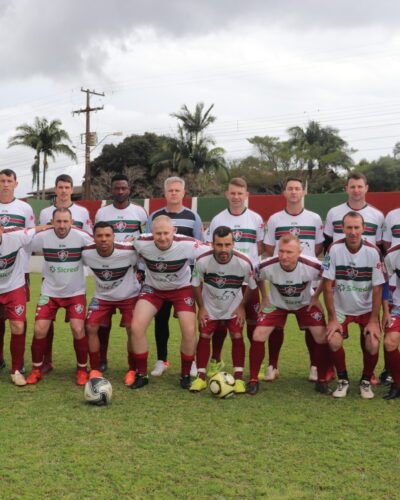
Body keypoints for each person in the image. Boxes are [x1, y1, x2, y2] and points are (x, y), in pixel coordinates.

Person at [129, 215, 208, 390]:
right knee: (136, 327)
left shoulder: (187, 243)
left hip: (182, 289)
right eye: (158, 233)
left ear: (174, 232)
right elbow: (125, 243)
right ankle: (142, 374)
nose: (162, 237)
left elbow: (211, 253)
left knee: (188, 330)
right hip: (153, 289)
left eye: (166, 233)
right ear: (151, 233)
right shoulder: (141, 241)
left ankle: (186, 374)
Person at [246, 234, 331, 396]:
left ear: (299, 252)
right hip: (277, 304)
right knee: (258, 335)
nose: (284, 256)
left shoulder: (312, 265)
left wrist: (316, 296)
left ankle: (321, 380)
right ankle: (253, 380)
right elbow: (257, 276)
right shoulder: (266, 265)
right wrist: (264, 296)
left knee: (321, 336)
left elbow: (327, 276)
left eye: (289, 252)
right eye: (281, 251)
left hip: (305, 303)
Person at [324, 171, 384, 385]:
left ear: (366, 188)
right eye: (352, 186)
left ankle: (370, 373)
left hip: (365, 283)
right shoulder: (333, 213)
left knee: (370, 337)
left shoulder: (377, 215)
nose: (356, 190)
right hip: (341, 284)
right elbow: (326, 244)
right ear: (347, 188)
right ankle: (335, 372)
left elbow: (380, 248)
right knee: (332, 337)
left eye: (360, 186)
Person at [263, 177, 325, 382]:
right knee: (276, 324)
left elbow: (318, 248)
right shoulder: (274, 219)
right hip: (281, 276)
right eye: (290, 189)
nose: (294, 192)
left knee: (310, 324)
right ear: (284, 192)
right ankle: (272, 365)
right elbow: (270, 249)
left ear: (303, 192)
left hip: (307, 278)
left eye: (297, 189)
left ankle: (315, 366)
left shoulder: (315, 218)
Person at [26, 207, 93, 386]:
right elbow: (23, 245)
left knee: (78, 329)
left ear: (71, 222)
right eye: (58, 221)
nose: (62, 225)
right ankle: (36, 369)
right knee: (40, 329)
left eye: (65, 221)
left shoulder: (82, 236)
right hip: (49, 292)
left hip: (75, 292)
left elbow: (99, 249)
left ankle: (81, 369)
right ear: (52, 222)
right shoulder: (42, 237)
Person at [145, 177, 204, 377]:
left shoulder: (193, 217)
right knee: (160, 321)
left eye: (177, 190)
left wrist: (197, 278)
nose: (173, 193)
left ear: (183, 193)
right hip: (158, 280)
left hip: (183, 281)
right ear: (165, 193)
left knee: (187, 324)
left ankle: (192, 362)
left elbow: (199, 248)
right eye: (170, 190)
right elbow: (146, 245)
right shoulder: (154, 216)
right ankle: (162, 360)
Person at [205, 177, 265, 376]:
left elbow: (262, 247)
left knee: (252, 322)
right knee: (221, 322)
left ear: (246, 195)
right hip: (225, 282)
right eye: (233, 193)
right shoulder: (218, 220)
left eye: (240, 193)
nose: (236, 197)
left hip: (249, 282)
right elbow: (209, 246)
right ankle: (216, 359)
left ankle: (256, 363)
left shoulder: (256, 219)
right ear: (227, 194)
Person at [190, 226, 257, 394]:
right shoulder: (202, 260)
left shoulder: (244, 262)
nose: (223, 249)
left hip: (234, 306)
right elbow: (195, 284)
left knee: (236, 335)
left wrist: (241, 306)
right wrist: (202, 307)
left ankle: (240, 378)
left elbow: (252, 286)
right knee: (205, 335)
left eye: (227, 245)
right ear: (212, 244)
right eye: (219, 245)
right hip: (210, 305)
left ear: (233, 244)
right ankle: (200, 378)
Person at [38, 174, 93, 373]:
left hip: (74, 274)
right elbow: (39, 239)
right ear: (55, 189)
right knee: (46, 322)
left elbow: (89, 240)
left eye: (67, 187)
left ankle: (82, 367)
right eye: (60, 187)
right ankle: (46, 360)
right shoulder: (45, 213)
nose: (63, 191)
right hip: (50, 274)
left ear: (71, 189)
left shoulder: (82, 211)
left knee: (77, 326)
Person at [94, 173, 148, 372]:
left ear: (129, 189)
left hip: (133, 272)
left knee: (131, 324)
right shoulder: (102, 213)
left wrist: (141, 269)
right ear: (111, 190)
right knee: (102, 324)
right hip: (107, 273)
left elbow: (145, 240)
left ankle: (132, 364)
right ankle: (101, 358)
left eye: (123, 188)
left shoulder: (140, 212)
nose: (120, 191)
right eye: (116, 188)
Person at [82, 221, 140, 386]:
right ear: (93, 237)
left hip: (128, 295)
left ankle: (132, 369)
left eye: (108, 235)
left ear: (114, 237)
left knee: (132, 328)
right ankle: (94, 368)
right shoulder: (87, 253)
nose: (104, 239)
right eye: (99, 236)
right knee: (90, 326)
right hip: (102, 297)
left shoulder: (129, 251)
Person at [0, 224, 48, 385]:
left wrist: (54, 225)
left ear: (1, 230)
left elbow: (39, 228)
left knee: (18, 326)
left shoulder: (17, 237)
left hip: (14, 287)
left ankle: (16, 370)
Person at [0, 169, 35, 371]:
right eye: (2, 181)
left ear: (16, 183)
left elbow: (31, 238)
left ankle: (18, 364)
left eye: (9, 181)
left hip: (17, 272)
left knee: (17, 318)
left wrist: (24, 264)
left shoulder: (24, 208)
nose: (5, 184)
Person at [382, 243, 400, 399]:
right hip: (398, 305)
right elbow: (384, 282)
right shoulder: (392, 255)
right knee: (389, 342)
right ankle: (397, 383)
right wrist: (386, 311)